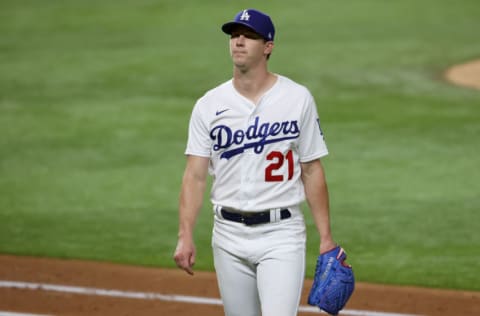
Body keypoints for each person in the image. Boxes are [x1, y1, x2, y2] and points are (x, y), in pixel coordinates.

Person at [174, 8, 337, 316]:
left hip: (282, 235)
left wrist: (326, 238)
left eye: (249, 36)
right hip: (227, 235)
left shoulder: (297, 98)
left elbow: (312, 169)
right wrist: (185, 235)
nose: (238, 42)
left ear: (268, 46)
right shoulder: (208, 105)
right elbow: (194, 176)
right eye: (234, 35)